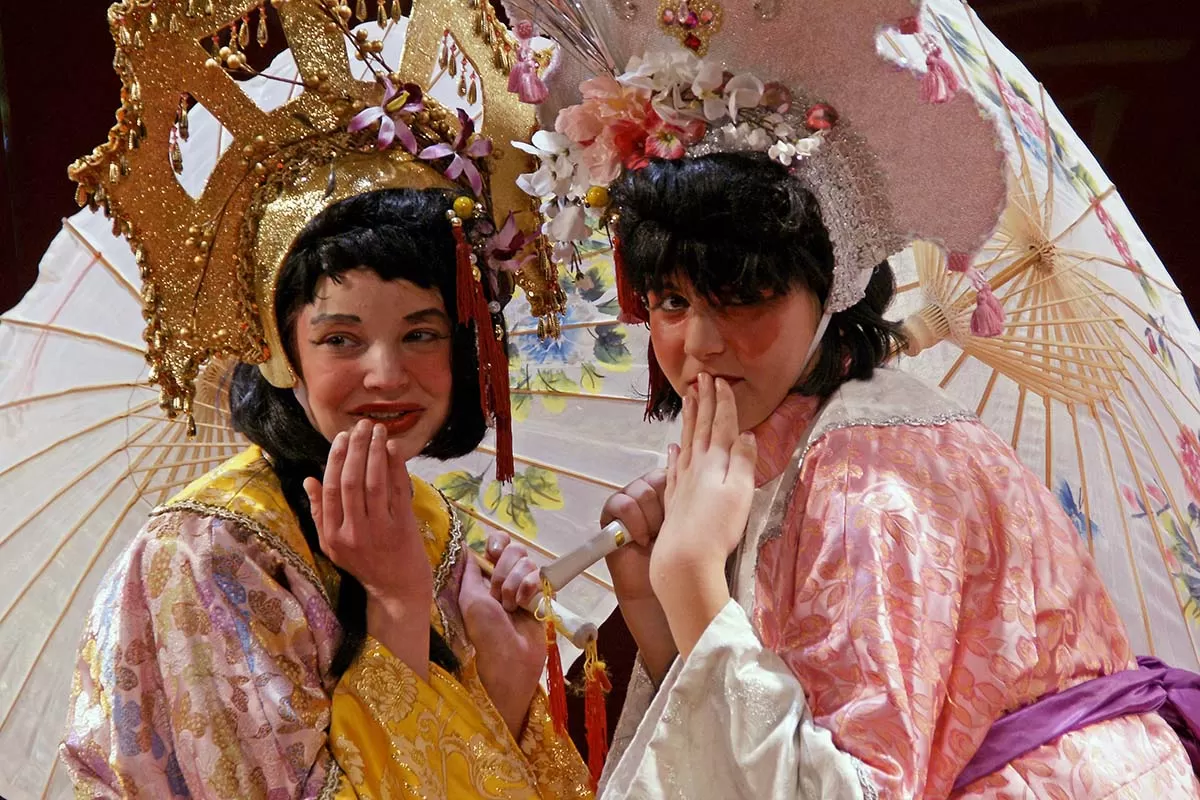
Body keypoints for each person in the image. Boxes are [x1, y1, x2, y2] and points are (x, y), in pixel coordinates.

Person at [592, 152, 1200, 797]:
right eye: (672, 301)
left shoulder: (870, 486)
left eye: (742, 296)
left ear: (830, 295)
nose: (699, 343)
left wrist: (689, 573)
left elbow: (859, 788)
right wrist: (660, 611)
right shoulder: (788, 441)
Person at [60, 184, 592, 799]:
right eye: (340, 339)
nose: (387, 376)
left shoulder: (428, 520)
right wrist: (396, 601)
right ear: (285, 354)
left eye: (422, 334)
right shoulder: (207, 553)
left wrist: (509, 685)